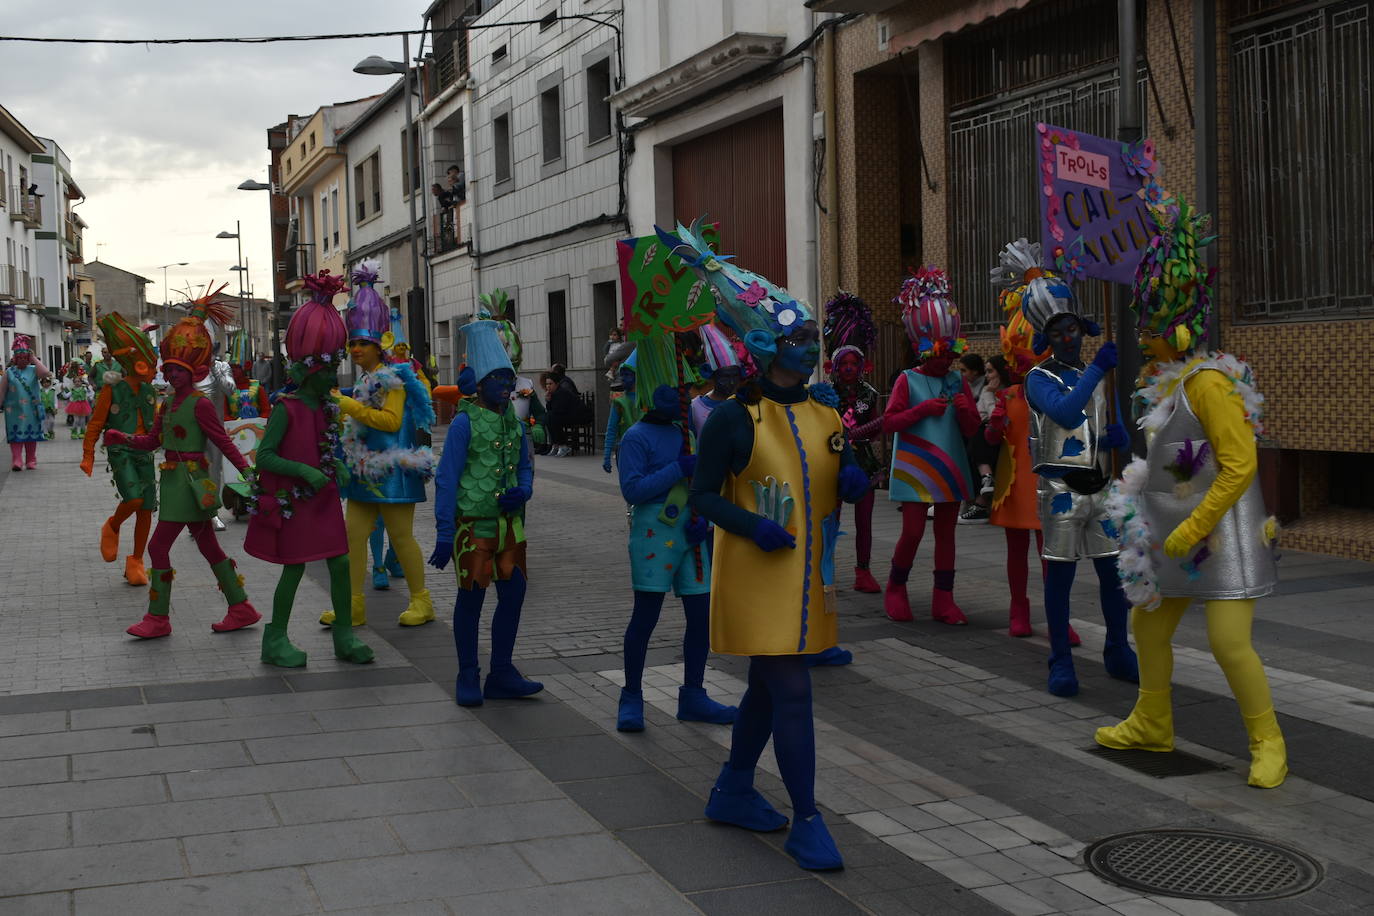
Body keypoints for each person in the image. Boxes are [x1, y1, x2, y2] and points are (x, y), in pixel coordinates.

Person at [666, 218, 870, 872]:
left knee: (764, 687)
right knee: (793, 690)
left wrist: (857, 480)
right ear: (765, 345)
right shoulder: (733, 417)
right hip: (756, 577)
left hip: (807, 580)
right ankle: (808, 819)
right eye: (797, 339)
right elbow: (701, 496)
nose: (810, 349)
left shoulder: (827, 414)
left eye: (813, 338)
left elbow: (830, 484)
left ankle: (731, 787)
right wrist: (750, 524)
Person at [1097, 201, 1285, 787]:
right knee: (1148, 629)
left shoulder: (1209, 383)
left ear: (1180, 327)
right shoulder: (1166, 384)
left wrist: (1193, 527)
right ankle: (1152, 722)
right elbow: (1163, 465)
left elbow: (1239, 464)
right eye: (1143, 327)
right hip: (1171, 535)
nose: (1144, 338)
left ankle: (1268, 741)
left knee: (1230, 643)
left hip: (1219, 536)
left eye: (1152, 329)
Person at [994, 238, 1139, 697]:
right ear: (1045, 339)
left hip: (1101, 487)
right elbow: (1067, 414)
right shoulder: (1038, 380)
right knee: (1060, 577)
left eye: (1073, 329)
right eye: (1057, 333)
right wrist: (1097, 370)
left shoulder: (1095, 374)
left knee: (1112, 576)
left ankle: (1118, 648)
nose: (1068, 338)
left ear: (1083, 327)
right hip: (1060, 490)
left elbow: (1106, 424)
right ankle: (1060, 660)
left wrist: (1118, 439)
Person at [105, 286, 261, 639]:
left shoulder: (201, 405)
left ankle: (159, 618)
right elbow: (153, 441)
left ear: (196, 371)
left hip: (191, 484)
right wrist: (125, 438)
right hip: (177, 482)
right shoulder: (169, 404)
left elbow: (222, 441)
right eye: (170, 370)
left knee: (159, 546)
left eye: (179, 371)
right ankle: (240, 606)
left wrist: (249, 472)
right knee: (208, 545)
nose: (173, 375)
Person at [244, 270, 373, 668]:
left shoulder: (326, 406)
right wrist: (305, 472)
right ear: (310, 372)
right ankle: (275, 639)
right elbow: (264, 457)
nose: (335, 376)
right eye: (328, 370)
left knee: (340, 564)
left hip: (324, 499)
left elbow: (324, 448)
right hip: (296, 500)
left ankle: (344, 636)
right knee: (294, 569)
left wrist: (337, 465)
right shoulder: (289, 408)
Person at [430, 319, 541, 706]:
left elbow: (525, 464)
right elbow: (446, 479)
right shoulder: (463, 423)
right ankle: (467, 673)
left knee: (514, 593)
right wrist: (445, 533)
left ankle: (502, 672)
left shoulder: (512, 419)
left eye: (508, 378)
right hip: (472, 525)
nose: (506, 386)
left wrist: (524, 490)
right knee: (472, 597)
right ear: (480, 384)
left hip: (510, 525)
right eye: (497, 379)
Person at [615, 381, 738, 731]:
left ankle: (694, 694)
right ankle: (632, 695)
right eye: (667, 391)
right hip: (654, 533)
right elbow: (633, 489)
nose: (677, 398)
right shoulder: (636, 437)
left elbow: (704, 482)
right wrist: (678, 469)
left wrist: (705, 520)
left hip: (691, 531)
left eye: (680, 392)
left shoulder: (687, 434)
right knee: (646, 616)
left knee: (701, 616)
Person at [321, 260, 437, 629]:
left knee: (401, 538)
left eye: (362, 343)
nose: (354, 349)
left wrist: (348, 404)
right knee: (352, 540)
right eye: (351, 343)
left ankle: (423, 602)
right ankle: (352, 605)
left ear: (377, 346)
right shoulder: (364, 381)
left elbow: (389, 421)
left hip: (394, 472)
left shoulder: (392, 379)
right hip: (363, 471)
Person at [882, 268, 981, 625]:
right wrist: (921, 410)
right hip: (915, 467)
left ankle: (944, 599)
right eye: (939, 354)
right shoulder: (907, 380)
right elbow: (889, 423)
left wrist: (968, 410)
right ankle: (895, 587)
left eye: (950, 354)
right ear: (922, 350)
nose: (946, 361)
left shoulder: (958, 381)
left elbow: (972, 430)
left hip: (951, 466)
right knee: (912, 531)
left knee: (946, 535)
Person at [82, 313, 160, 586]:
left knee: (146, 507)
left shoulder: (151, 392)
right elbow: (96, 423)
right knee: (135, 499)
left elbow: (160, 427)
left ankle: (136, 560)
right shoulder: (112, 390)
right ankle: (112, 525)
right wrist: (88, 454)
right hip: (120, 451)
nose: (153, 367)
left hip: (145, 451)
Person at [822, 291, 882, 597]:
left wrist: (859, 434)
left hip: (864, 464)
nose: (848, 368)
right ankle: (825, 570)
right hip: (830, 463)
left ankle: (864, 570)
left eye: (853, 362)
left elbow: (877, 428)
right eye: (843, 363)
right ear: (833, 365)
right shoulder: (822, 394)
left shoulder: (870, 394)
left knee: (865, 521)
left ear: (862, 364)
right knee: (828, 520)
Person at [958, 355, 1008, 524]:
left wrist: (988, 395)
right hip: (985, 437)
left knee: (977, 435)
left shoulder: (1007, 391)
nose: (988, 376)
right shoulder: (987, 390)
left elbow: (996, 417)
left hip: (998, 436)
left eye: (990, 371)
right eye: (986, 371)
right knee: (971, 441)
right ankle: (976, 499)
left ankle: (981, 499)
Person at [1, 335, 50, 469]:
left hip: (31, 409)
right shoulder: (9, 372)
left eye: (25, 357)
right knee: (15, 435)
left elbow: (46, 372)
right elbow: (2, 391)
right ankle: (17, 460)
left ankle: (31, 460)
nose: (22, 360)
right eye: (20, 357)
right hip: (13, 410)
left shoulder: (34, 370)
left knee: (31, 436)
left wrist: (33, 357)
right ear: (15, 359)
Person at [689, 324, 744, 439]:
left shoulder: (744, 404)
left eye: (735, 376)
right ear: (711, 376)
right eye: (725, 377)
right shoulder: (695, 408)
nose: (732, 382)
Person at [602, 350, 640, 472]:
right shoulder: (619, 401)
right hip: (624, 450)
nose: (623, 378)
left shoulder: (647, 399)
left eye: (627, 375)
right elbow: (611, 428)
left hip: (643, 449)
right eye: (621, 375)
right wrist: (607, 455)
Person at [40, 376, 56, 440]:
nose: (45, 384)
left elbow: (55, 399)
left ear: (50, 383)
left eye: (47, 382)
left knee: (52, 421)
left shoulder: (52, 390)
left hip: (51, 409)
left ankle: (51, 431)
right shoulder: (40, 391)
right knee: (44, 422)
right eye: (44, 383)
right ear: (42, 384)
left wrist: (56, 407)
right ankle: (45, 433)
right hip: (43, 409)